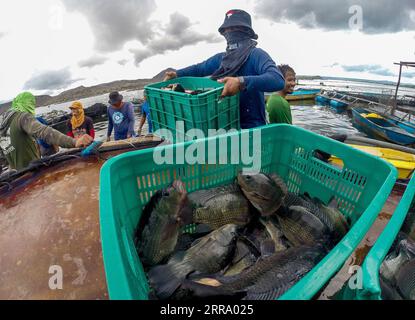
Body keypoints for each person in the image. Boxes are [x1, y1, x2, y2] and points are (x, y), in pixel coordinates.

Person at [164, 9, 285, 129]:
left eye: (234, 28)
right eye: (227, 29)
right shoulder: (222, 59)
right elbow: (199, 68)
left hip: (254, 128)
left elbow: (277, 80)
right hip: (227, 127)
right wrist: (176, 74)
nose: (229, 32)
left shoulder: (256, 55)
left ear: (246, 31)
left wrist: (241, 82)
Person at [0, 92, 93, 170]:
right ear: (25, 103)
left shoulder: (2, 127)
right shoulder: (21, 117)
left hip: (16, 181)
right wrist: (74, 142)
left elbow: (3, 158)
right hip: (32, 173)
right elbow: (44, 132)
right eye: (31, 103)